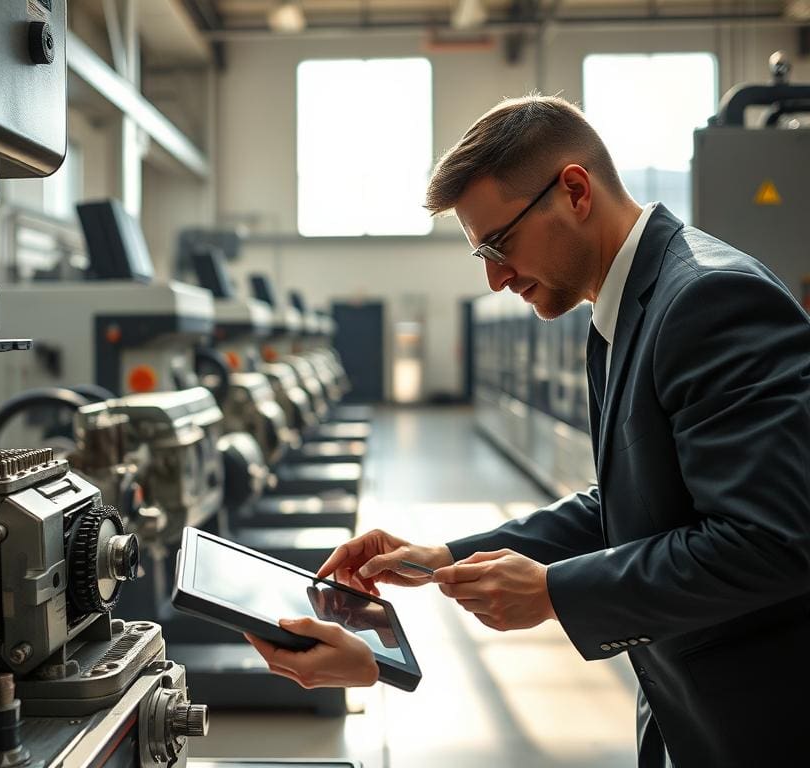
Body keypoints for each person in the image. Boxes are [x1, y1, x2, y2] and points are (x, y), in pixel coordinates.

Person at [243, 95, 810, 767]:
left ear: (574, 191)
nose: (494, 278)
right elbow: (629, 505)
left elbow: (774, 540)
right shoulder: (629, 309)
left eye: (498, 243)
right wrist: (444, 556)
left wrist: (552, 592)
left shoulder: (706, 300)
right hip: (700, 708)